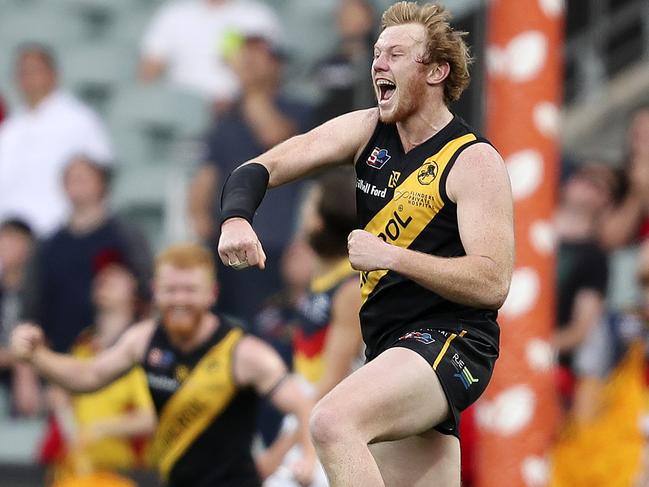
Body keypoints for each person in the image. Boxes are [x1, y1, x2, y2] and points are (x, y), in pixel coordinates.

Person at [217, 2, 514, 486]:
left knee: (332, 421)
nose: (379, 63)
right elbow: (261, 167)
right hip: (389, 349)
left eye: (396, 54)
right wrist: (235, 218)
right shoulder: (366, 129)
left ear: (437, 70)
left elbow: (493, 282)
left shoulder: (473, 160)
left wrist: (392, 256)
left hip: (451, 342)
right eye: (377, 54)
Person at [12, 243, 316, 487]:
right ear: (156, 292)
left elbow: (303, 407)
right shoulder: (144, 340)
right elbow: (88, 375)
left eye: (189, 290)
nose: (179, 300)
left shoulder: (242, 352)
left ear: (211, 294)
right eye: (171, 290)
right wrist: (36, 355)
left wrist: (302, 460)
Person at [189, 27, 312, 323]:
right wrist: (203, 224)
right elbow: (206, 175)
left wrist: (250, 88)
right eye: (246, 58)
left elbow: (273, 135)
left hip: (275, 246)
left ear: (277, 65)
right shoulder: (226, 116)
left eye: (259, 57)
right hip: (228, 244)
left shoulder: (298, 109)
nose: (249, 64)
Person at [264, 169, 363, 487]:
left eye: (308, 209)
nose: (302, 218)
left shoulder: (350, 286)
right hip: (304, 410)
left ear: (321, 221)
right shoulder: (321, 277)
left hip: (324, 419)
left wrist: (281, 449)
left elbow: (332, 383)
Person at [22, 155, 152, 354]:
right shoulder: (48, 244)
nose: (77, 186)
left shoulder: (125, 235)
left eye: (84, 179)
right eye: (71, 180)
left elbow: (146, 285)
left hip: (116, 350)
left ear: (102, 184)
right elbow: (34, 304)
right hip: (61, 350)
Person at [44, 256, 155, 480]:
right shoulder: (84, 343)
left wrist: (99, 429)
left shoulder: (143, 346)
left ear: (134, 288)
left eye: (116, 274)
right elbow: (63, 395)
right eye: (102, 275)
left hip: (122, 473)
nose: (104, 278)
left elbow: (150, 417)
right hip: (76, 469)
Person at [0, 44, 113, 236]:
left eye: (35, 70)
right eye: (23, 72)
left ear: (54, 74)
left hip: (58, 231)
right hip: (11, 235)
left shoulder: (79, 119)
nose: (28, 78)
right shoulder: (11, 128)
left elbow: (101, 175)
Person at [139, 0, 282, 104]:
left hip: (237, 105)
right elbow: (150, 68)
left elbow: (270, 71)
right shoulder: (175, 12)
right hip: (182, 104)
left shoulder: (256, 14)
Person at [553, 164, 611, 405]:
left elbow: (580, 331)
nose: (586, 185)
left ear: (606, 201)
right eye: (582, 178)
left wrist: (531, 347)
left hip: (551, 368)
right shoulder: (522, 229)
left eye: (597, 185)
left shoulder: (595, 257)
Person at [0, 218, 40, 416]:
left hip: (38, 374)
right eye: (3, 239)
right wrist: (15, 357)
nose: (5, 246)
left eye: (14, 240)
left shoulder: (43, 293)